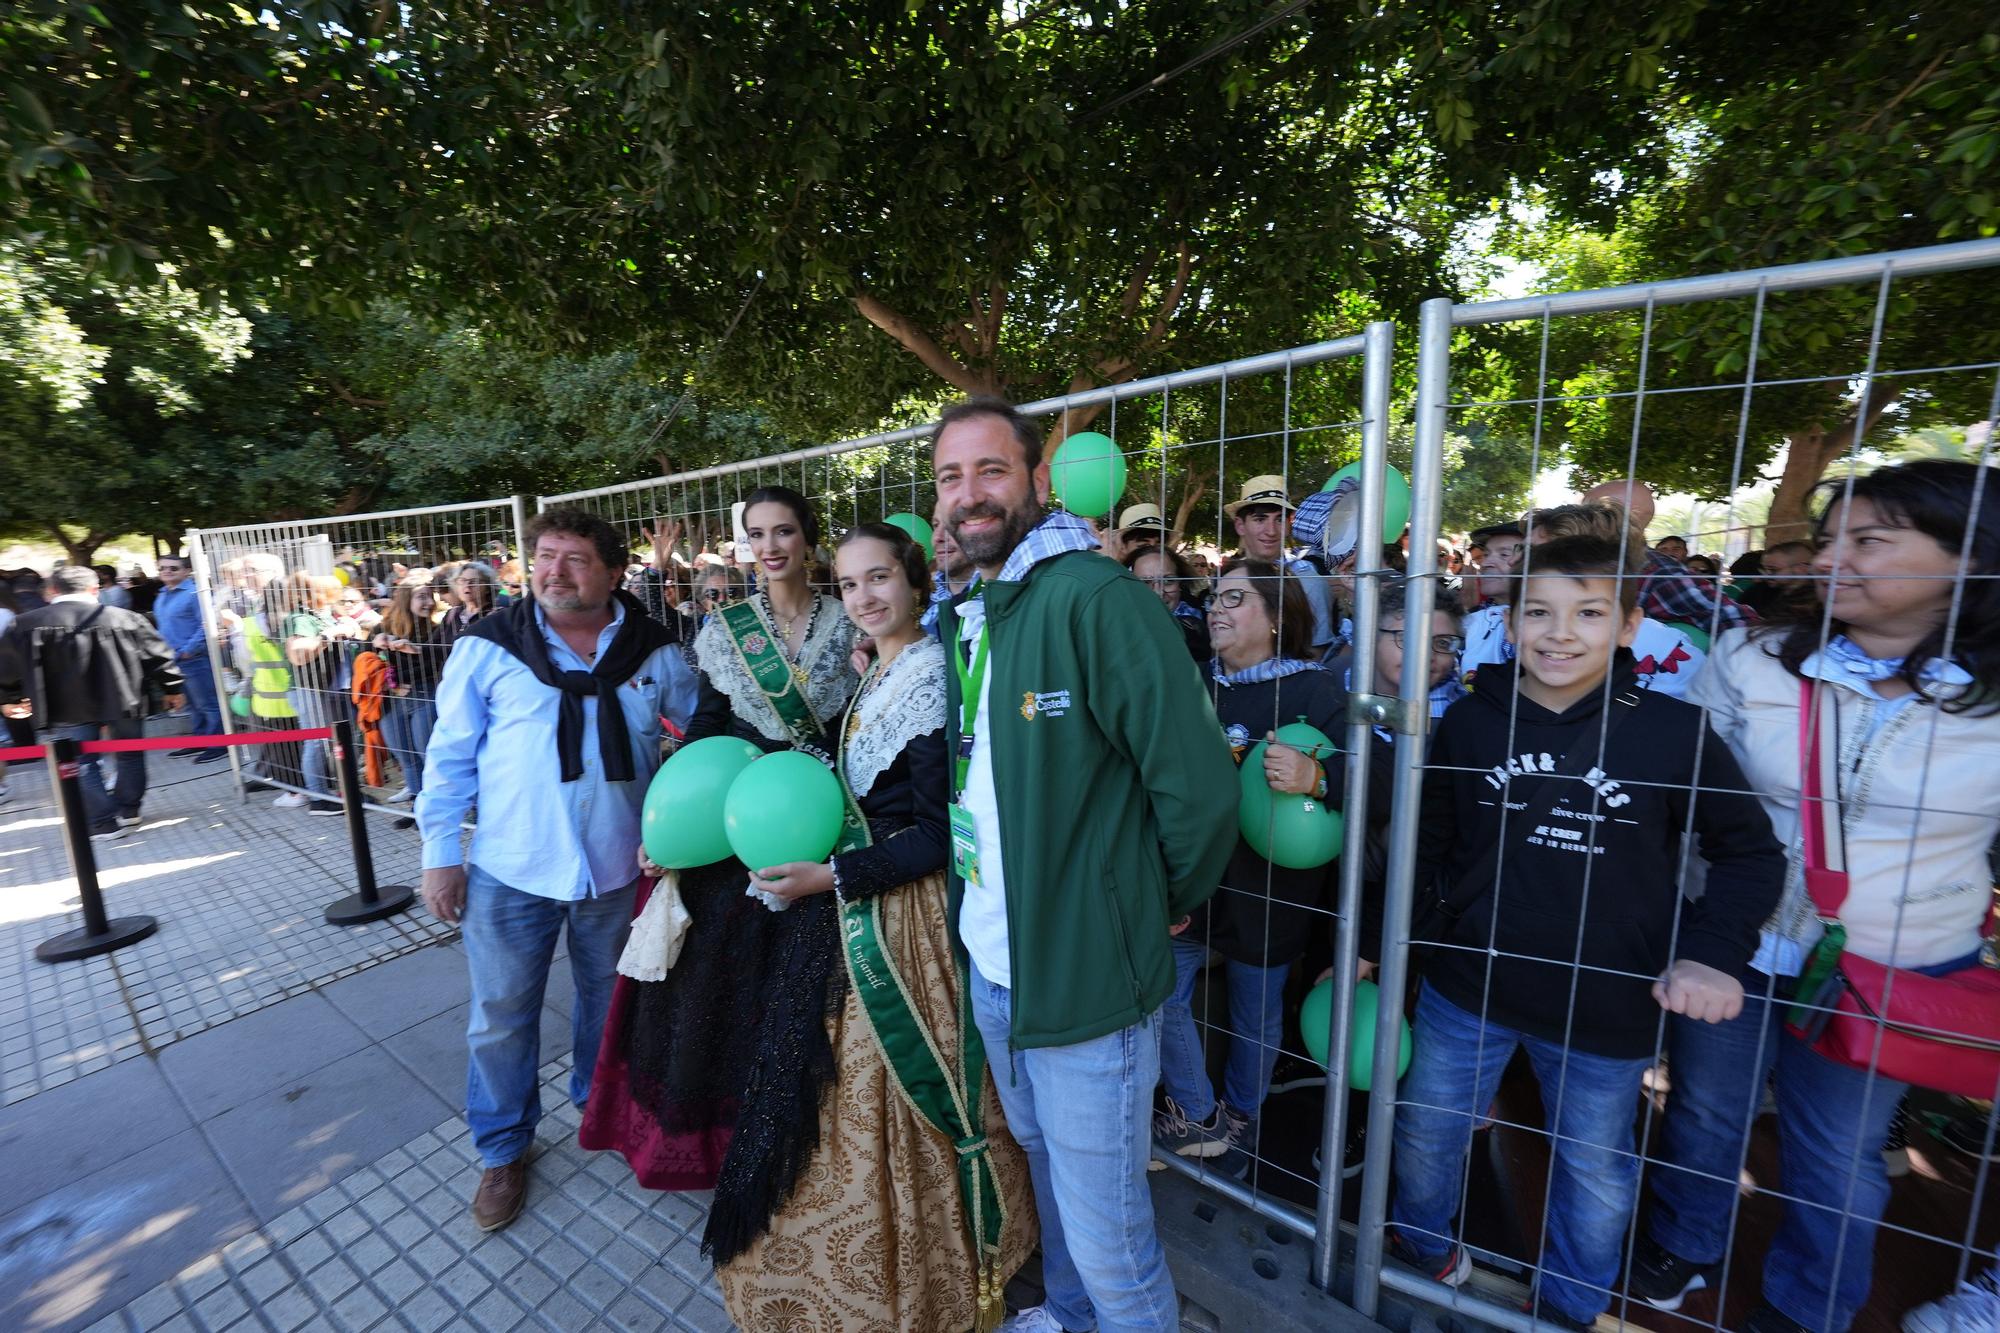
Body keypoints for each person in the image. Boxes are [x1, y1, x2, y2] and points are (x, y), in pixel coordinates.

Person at [1624, 460, 2000, 1333]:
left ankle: (1809, 1304)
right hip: (1733, 933)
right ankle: (1687, 1240)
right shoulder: (1750, 658)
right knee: (1709, 1105)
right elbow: (1675, 784)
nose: (1833, 560)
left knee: (1837, 1148)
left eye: (1869, 541)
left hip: (1891, 965)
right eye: (1829, 541)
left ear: (1968, 558)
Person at [1390, 531, 1784, 1329]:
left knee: (1595, 1170)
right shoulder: (1469, 723)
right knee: (1427, 1129)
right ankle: (1418, 1251)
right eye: (1537, 610)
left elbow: (1749, 853)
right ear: (1507, 620)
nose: (1559, 632)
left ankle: (1569, 1306)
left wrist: (1712, 954)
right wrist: (1436, 937)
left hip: (1609, 1006)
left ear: (1633, 625)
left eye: (1589, 612)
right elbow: (1428, 842)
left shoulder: (1674, 733)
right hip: (1469, 988)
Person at [932, 397, 1238, 1333]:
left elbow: (1199, 792)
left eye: (991, 470)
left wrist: (1146, 904)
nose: (969, 493)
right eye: (951, 476)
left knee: (1112, 1237)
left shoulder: (1093, 597)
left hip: (1087, 983)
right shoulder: (977, 609)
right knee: (1052, 1173)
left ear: (1036, 479)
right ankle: (1068, 1318)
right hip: (996, 967)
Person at [699, 521, 1037, 1331]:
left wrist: (832, 874)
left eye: (879, 577)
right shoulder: (882, 667)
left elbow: (931, 831)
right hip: (854, 909)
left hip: (901, 921)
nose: (864, 596)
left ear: (916, 580)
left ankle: (944, 1270)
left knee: (898, 1096)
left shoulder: (927, 675)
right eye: (849, 585)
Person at [417, 507, 698, 1233]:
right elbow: (448, 758)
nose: (554, 571)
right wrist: (441, 854)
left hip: (616, 873)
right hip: (511, 872)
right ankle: (503, 1146)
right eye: (544, 555)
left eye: (574, 559)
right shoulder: (489, 648)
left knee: (610, 1009)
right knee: (501, 1016)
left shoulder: (653, 652)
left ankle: (597, 1109)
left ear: (612, 572)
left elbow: (702, 739)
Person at [579, 486, 860, 1199]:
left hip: (813, 810)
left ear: (809, 539)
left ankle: (800, 1139)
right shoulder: (728, 627)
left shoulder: (849, 618)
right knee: (713, 978)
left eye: (785, 531)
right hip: (734, 809)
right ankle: (717, 1136)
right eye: (756, 533)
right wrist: (681, 809)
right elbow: (707, 721)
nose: (770, 547)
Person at [1154, 558, 1345, 1173]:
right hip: (1191, 886)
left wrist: (1318, 776)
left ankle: (1242, 1115)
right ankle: (1200, 1111)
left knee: (1253, 1016)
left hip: (1272, 894)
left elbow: (1377, 776)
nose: (1215, 608)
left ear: (1277, 614)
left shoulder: (1317, 689)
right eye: (1215, 596)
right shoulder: (1190, 682)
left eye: (1236, 598)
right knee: (1162, 996)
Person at [0, 565, 184, 838]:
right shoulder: (125, 618)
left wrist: (9, 698)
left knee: (82, 762)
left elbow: (7, 667)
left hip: (65, 705)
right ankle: (129, 810)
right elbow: (158, 655)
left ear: (51, 591)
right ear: (94, 589)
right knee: (130, 754)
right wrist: (172, 688)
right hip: (124, 698)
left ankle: (101, 821)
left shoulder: (26, 623)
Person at [1579, 479, 1755, 630]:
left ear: (1633, 514)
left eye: (1591, 511)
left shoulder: (1657, 570)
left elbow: (1738, 620)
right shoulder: (1588, 563)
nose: (1578, 518)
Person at [1224, 474, 1338, 657]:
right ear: (1240, 525)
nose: (1271, 531)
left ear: (1289, 523)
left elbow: (1315, 655)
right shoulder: (1230, 577)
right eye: (1260, 519)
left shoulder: (1306, 580)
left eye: (1279, 519)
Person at [375, 575, 449, 805]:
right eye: (421, 596)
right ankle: (419, 806)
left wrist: (417, 652)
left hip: (424, 695)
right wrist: (374, 643)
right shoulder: (383, 627)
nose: (429, 602)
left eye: (431, 596)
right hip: (392, 702)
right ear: (406, 599)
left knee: (428, 755)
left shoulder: (438, 630)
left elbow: (439, 665)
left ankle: (436, 807)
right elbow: (366, 662)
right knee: (405, 757)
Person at [281, 571, 347, 816]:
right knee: (317, 742)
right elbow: (297, 656)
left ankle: (328, 792)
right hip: (307, 687)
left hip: (322, 686)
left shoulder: (321, 614)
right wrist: (329, 635)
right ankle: (318, 798)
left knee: (324, 741)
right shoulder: (300, 619)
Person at [153, 553, 227, 764]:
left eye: (173, 568)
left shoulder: (195, 593)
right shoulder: (163, 593)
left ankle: (218, 745)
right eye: (162, 568)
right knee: (193, 705)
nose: (166, 571)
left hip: (194, 659)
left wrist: (188, 650)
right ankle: (202, 739)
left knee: (208, 703)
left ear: (186, 571)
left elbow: (206, 625)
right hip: (173, 659)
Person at [1124, 545, 1210, 664]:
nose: (1158, 592)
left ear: (1180, 584)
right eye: (1145, 582)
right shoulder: (1117, 623)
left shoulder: (1195, 627)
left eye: (1168, 581)